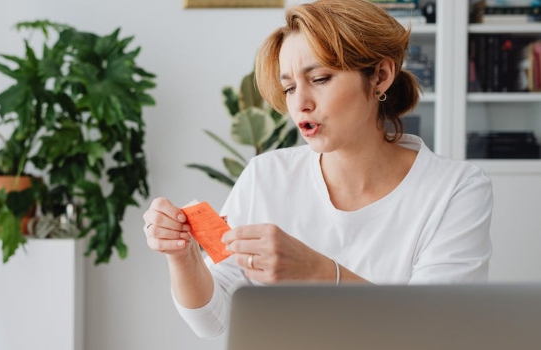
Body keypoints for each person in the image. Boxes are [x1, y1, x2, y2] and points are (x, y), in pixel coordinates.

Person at [142, 0, 493, 339]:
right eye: (289, 87)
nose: (300, 104)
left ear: (380, 76)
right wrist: (183, 257)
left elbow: (437, 331)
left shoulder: (455, 188)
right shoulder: (267, 175)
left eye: (321, 78)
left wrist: (319, 272)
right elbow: (213, 321)